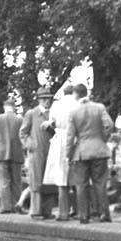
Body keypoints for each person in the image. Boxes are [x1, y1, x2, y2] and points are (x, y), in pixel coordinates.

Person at [66, 84, 114, 224]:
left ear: (75, 95)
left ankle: (84, 216)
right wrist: (102, 138)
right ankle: (104, 214)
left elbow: (70, 136)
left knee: (81, 185)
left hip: (81, 152)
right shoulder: (99, 108)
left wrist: (68, 154)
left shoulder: (73, 111)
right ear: (87, 93)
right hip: (99, 150)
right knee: (100, 183)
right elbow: (109, 125)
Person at [0, 98, 24, 214]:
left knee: (3, 181)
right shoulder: (20, 119)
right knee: (17, 181)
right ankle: (17, 205)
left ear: (4, 108)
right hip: (16, 153)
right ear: (14, 107)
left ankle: (6, 207)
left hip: (0, 153)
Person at [20, 87, 55, 219]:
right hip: (37, 152)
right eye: (44, 99)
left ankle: (47, 210)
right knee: (36, 181)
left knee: (50, 181)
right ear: (39, 100)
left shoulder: (52, 114)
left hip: (51, 151)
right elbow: (23, 132)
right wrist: (31, 145)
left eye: (49, 99)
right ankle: (35, 212)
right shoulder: (32, 113)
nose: (47, 101)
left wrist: (52, 127)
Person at [44, 85, 76, 220]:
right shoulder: (77, 103)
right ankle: (79, 210)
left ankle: (64, 212)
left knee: (61, 178)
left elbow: (51, 123)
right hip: (74, 139)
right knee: (76, 177)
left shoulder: (56, 105)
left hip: (59, 140)